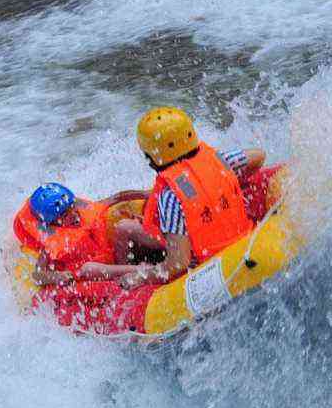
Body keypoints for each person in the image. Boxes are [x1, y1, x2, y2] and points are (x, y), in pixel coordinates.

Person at [81, 107, 265, 290]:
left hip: (206, 265)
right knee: (125, 228)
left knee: (108, 248)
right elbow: (258, 156)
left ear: (152, 156)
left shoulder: (171, 197)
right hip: (244, 240)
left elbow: (178, 264)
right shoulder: (222, 160)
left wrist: (141, 277)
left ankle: (127, 287)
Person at [12, 183, 147, 286]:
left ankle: (156, 254)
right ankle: (142, 270)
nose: (73, 214)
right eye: (65, 215)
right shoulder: (52, 243)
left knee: (123, 227)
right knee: (87, 269)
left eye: (72, 207)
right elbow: (37, 275)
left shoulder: (86, 212)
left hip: (117, 260)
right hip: (94, 272)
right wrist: (57, 277)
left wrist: (145, 194)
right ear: (53, 223)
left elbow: (118, 197)